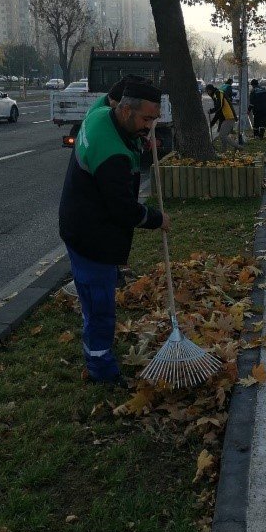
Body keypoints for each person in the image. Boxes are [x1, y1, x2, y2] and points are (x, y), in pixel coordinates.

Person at [59, 77, 170, 384]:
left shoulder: (97, 115)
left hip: (76, 224)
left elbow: (108, 96)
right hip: (92, 237)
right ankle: (101, 368)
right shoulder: (112, 156)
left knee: (91, 300)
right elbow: (122, 209)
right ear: (124, 110)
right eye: (146, 119)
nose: (150, 126)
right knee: (101, 308)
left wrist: (133, 87)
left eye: (154, 119)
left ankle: (92, 333)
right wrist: (156, 218)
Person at [206, 83, 239, 150]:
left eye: (208, 91)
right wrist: (212, 123)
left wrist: (211, 110)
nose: (207, 93)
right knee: (222, 134)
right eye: (207, 91)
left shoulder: (218, 93)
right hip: (224, 117)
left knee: (223, 135)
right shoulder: (215, 95)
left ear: (211, 90)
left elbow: (219, 106)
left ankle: (238, 147)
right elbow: (218, 112)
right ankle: (224, 150)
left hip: (229, 117)